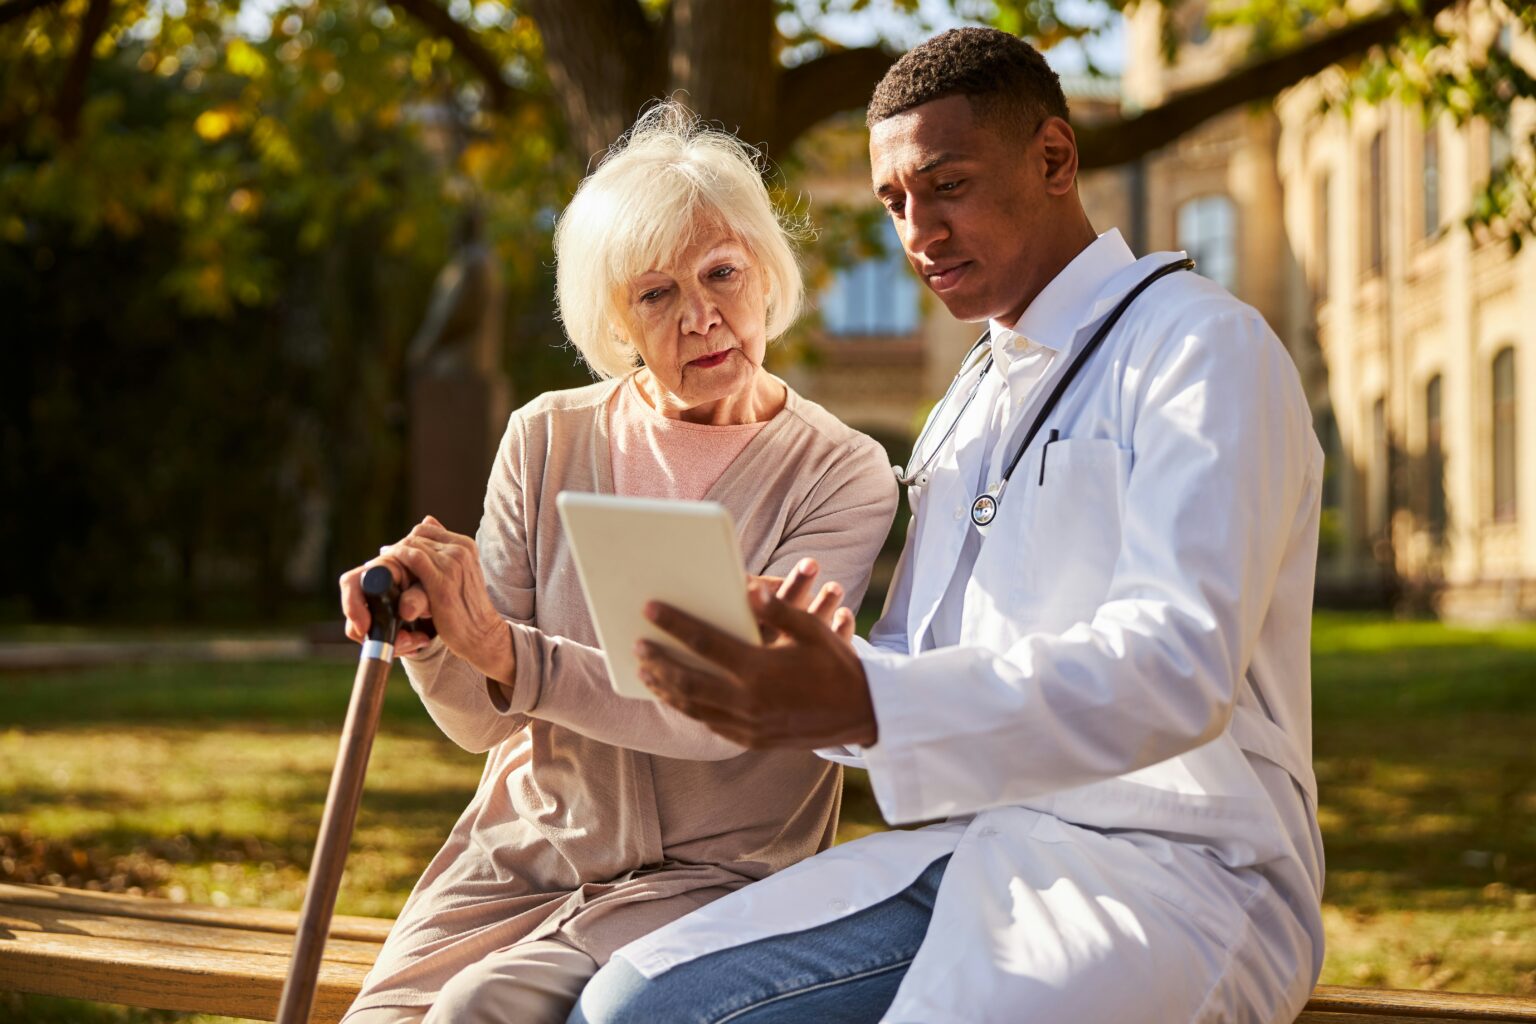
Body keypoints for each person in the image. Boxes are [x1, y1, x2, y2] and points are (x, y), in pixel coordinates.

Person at [570, 27, 1326, 1024]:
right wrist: (804, 670)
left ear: (1054, 159)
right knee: (633, 1003)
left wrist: (861, 697)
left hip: (1176, 865)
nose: (918, 231)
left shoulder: (1198, 345)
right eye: (895, 203)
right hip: (975, 848)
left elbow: (1179, 659)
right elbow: (913, 665)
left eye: (949, 186)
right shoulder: (968, 398)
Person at [335, 103, 898, 1024]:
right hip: (524, 857)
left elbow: (730, 712)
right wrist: (436, 636)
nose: (702, 317)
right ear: (617, 318)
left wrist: (513, 654)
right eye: (657, 293)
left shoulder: (841, 474)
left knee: (481, 1012)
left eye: (722, 273)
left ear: (767, 275)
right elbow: (482, 725)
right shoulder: (547, 436)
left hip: (713, 882)